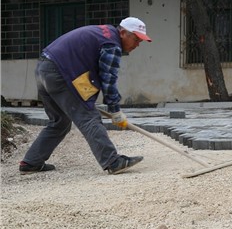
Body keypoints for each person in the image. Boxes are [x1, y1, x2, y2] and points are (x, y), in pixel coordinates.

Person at [19, 17, 152, 175]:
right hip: (59, 72)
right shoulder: (111, 45)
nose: (137, 44)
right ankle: (112, 161)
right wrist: (115, 111)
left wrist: (88, 100)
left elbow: (89, 74)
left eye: (140, 41)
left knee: (60, 121)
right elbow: (108, 80)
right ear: (123, 33)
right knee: (89, 117)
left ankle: (31, 162)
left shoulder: (104, 34)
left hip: (44, 68)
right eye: (136, 39)